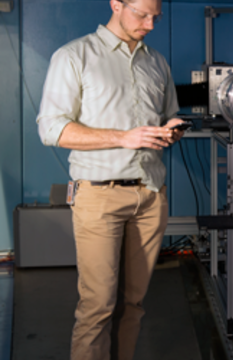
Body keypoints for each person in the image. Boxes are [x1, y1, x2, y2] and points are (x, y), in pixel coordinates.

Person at [36, 0, 183, 358]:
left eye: (156, 17)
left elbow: (169, 115)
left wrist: (172, 130)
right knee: (98, 304)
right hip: (100, 197)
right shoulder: (74, 56)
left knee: (133, 303)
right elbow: (51, 129)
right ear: (116, 4)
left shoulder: (156, 62)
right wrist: (123, 136)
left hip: (149, 196)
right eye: (142, 14)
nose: (149, 24)